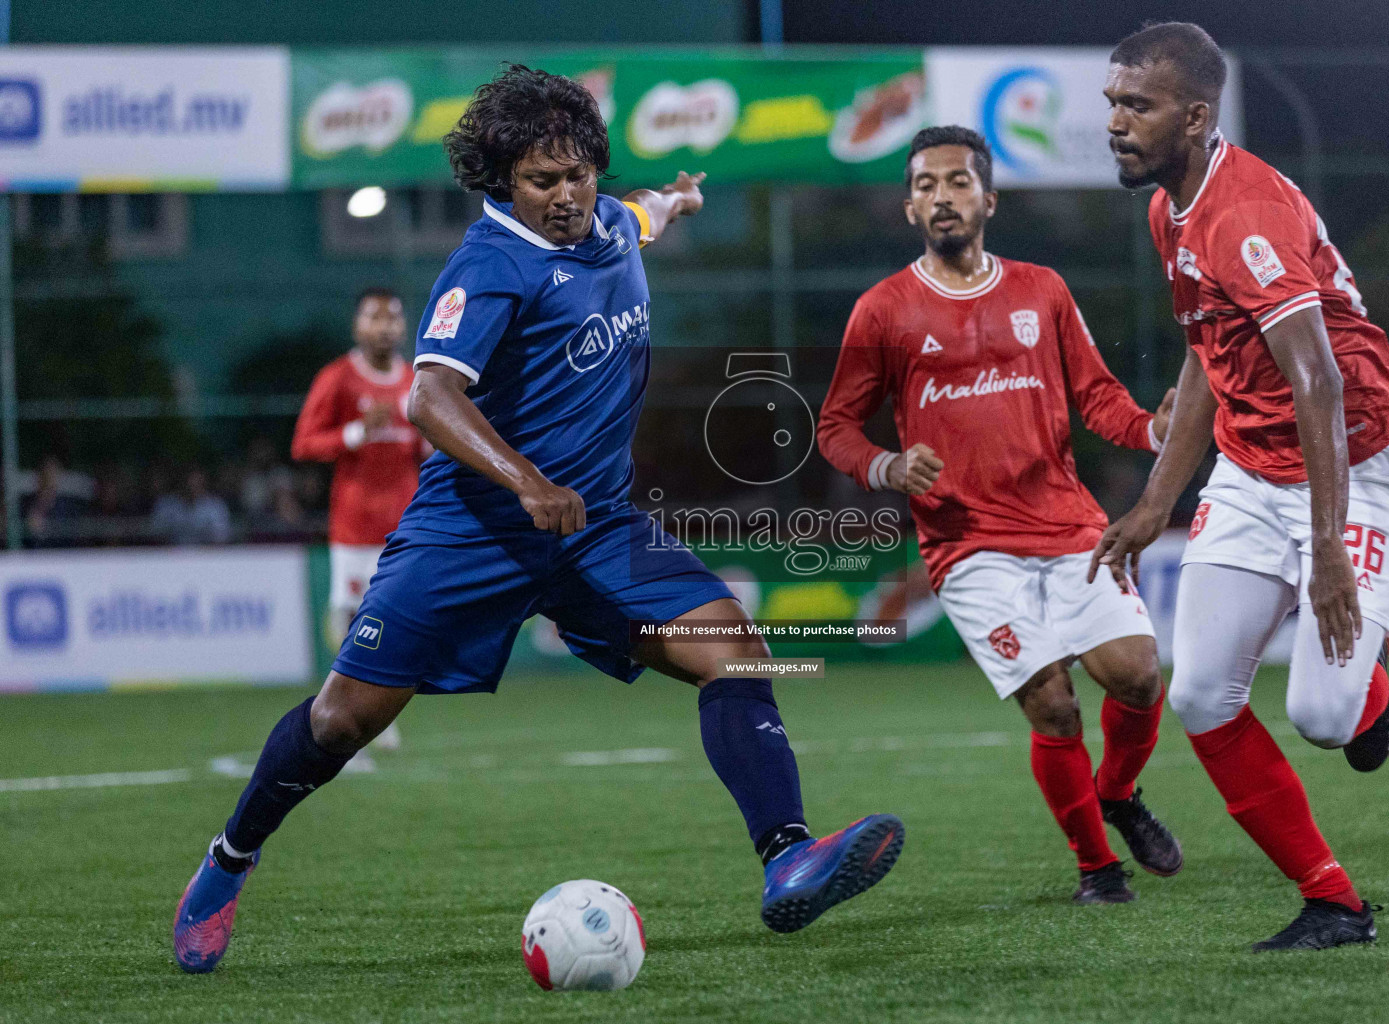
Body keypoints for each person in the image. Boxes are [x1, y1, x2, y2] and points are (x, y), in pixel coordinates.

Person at [172, 65, 902, 974]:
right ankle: (227, 861)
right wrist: (524, 481)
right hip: (473, 530)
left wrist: (673, 199)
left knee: (739, 650)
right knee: (343, 720)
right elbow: (430, 397)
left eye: (576, 175)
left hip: (593, 527)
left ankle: (789, 857)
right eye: (540, 181)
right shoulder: (489, 265)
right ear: (502, 183)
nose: (564, 197)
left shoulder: (609, 221)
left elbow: (640, 214)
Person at [1094, 22, 1389, 951]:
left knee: (1322, 716)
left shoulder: (1242, 214)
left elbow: (1316, 380)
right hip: (1251, 467)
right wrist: (1160, 499)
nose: (1116, 122)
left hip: (1352, 468)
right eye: (1113, 103)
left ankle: (1367, 691)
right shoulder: (1171, 207)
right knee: (1201, 696)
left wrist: (1325, 554)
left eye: (1138, 106)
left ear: (1196, 118)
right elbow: (1208, 352)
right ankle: (1335, 904)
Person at [818, 126, 1180, 904]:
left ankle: (1116, 793)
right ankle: (1097, 868)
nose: (940, 196)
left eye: (955, 182)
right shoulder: (882, 311)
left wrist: (1153, 428)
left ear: (988, 198)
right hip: (968, 546)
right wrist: (885, 465)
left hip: (1068, 525)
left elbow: (1097, 396)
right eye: (924, 185)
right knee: (1052, 705)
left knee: (1141, 679)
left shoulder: (1042, 290)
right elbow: (835, 427)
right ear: (909, 207)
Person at [290, 287, 423, 755]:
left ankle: (380, 715)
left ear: (404, 326)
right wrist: (354, 432)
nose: (384, 325)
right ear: (358, 326)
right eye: (374, 317)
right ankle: (342, 717)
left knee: (399, 622)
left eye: (393, 317)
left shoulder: (417, 380)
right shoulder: (338, 378)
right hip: (353, 525)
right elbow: (304, 443)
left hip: (406, 525)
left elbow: (425, 449)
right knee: (353, 624)